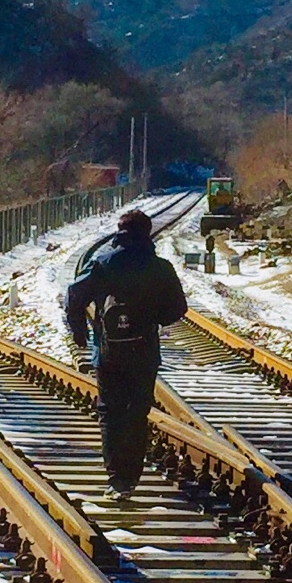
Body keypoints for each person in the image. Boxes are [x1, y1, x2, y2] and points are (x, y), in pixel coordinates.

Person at [64, 209, 188, 498]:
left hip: (108, 351)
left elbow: (74, 296)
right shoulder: (160, 267)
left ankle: (116, 479)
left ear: (120, 232)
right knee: (137, 413)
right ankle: (131, 477)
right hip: (144, 351)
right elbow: (178, 308)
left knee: (110, 412)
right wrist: (154, 318)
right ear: (147, 233)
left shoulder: (104, 263)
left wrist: (80, 332)